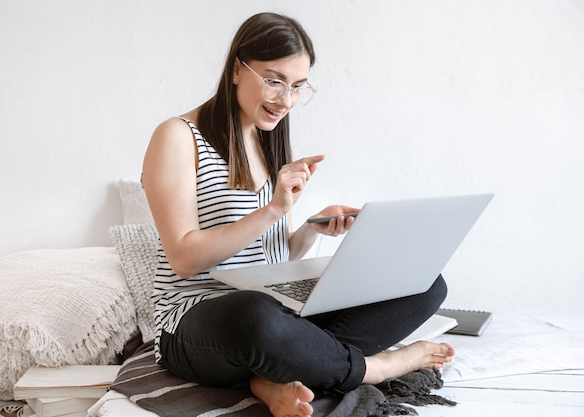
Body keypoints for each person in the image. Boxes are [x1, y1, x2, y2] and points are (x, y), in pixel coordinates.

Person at [142, 12, 455, 417]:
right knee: (256, 317)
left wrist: (310, 229)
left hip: (272, 313)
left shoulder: (266, 139)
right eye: (274, 80)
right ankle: (372, 368)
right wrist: (274, 210)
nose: (285, 100)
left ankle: (275, 374)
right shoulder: (178, 136)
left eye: (297, 86)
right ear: (237, 69)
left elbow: (271, 261)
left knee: (423, 282)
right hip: (196, 322)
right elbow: (184, 258)